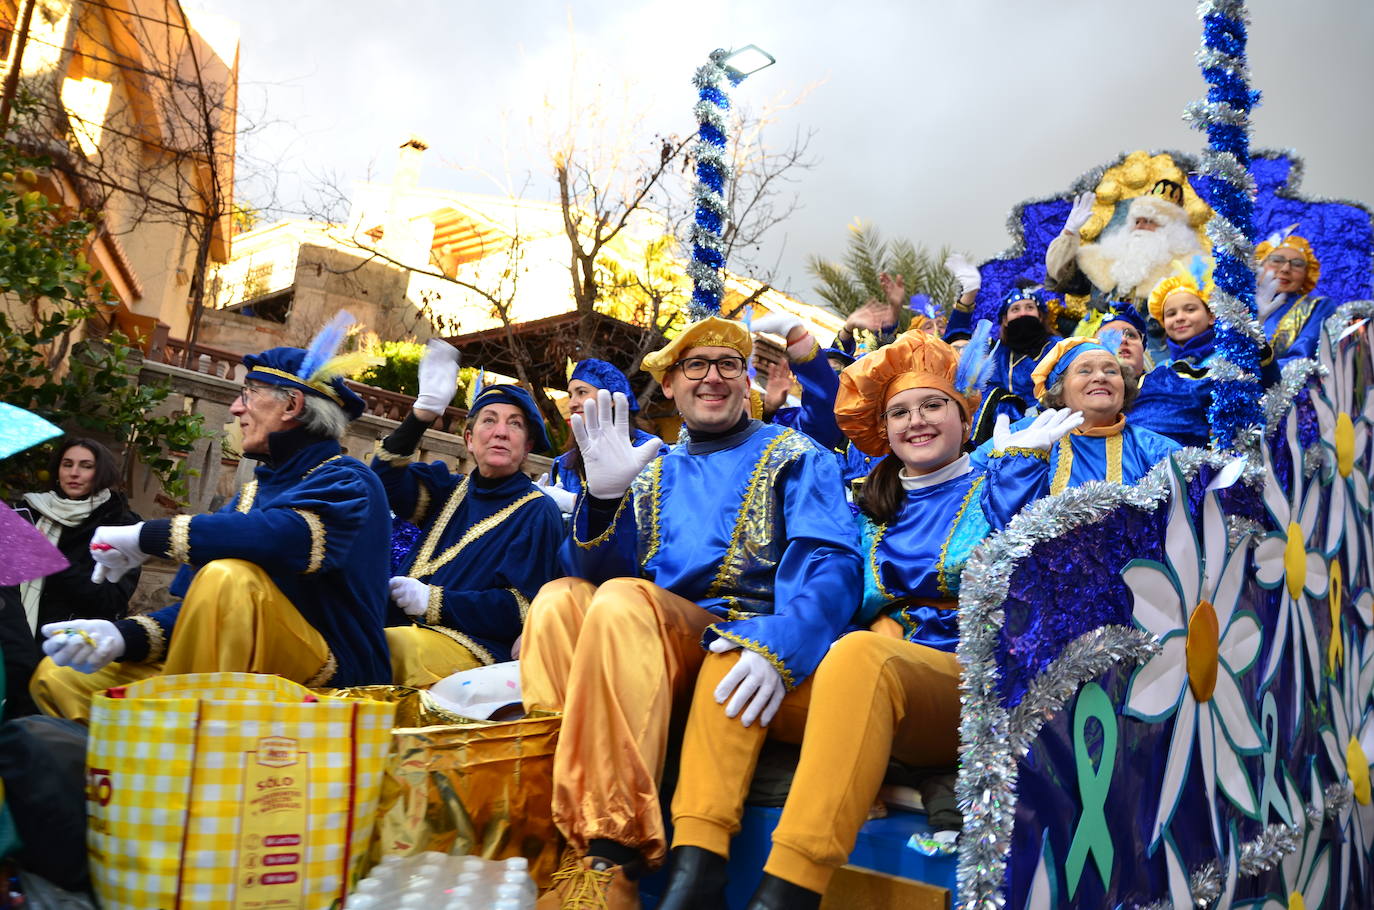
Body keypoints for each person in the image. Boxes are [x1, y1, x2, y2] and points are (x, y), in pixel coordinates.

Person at [656, 331, 1061, 910]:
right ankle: (696, 867)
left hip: (968, 688)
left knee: (862, 654)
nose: (916, 421)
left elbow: (1029, 578)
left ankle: (789, 888)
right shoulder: (863, 508)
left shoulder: (999, 486)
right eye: (900, 411)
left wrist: (1021, 472)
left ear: (965, 415)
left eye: (933, 405)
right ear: (883, 428)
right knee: (736, 656)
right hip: (863, 683)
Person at [520, 316, 861, 910]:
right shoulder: (652, 469)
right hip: (640, 645)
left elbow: (832, 562)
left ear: (747, 383)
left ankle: (612, 858)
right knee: (557, 601)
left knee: (623, 601)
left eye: (729, 365)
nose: (713, 378)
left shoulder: (793, 454)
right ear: (670, 385)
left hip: (731, 646)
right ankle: (549, 837)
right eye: (696, 365)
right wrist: (604, 500)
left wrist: (786, 637)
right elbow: (591, 575)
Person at [30, 333, 394, 721]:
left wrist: (147, 536)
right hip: (237, 670)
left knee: (230, 577)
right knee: (61, 677)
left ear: (292, 404)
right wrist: (123, 637)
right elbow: (202, 617)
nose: (235, 408)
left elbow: (285, 538)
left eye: (248, 393)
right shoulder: (251, 494)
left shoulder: (349, 480)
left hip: (334, 679)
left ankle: (181, 734)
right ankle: (157, 737)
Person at [373, 340, 565, 685]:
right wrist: (421, 415)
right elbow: (383, 481)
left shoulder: (538, 511)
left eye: (515, 424)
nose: (501, 432)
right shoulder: (447, 489)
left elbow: (521, 609)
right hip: (402, 627)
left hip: (473, 648)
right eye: (489, 421)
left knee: (387, 650)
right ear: (469, 440)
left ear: (527, 447)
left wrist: (434, 601)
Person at [0, 438, 140, 718]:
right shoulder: (27, 513)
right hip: (15, 648)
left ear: (101, 472)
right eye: (67, 465)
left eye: (85, 466)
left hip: (69, 653)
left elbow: (110, 600)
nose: (74, 473)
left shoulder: (120, 524)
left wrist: (50, 559)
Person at [977, 336, 1182, 527]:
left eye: (1111, 371)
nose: (1100, 377)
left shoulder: (1157, 450)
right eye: (1085, 371)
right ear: (1059, 392)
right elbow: (1002, 523)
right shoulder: (1024, 433)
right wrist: (1017, 465)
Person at [1129, 260, 1279, 448]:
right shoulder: (1161, 369)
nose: (1180, 318)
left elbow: (1271, 385)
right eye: (1171, 314)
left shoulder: (1230, 355)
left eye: (1190, 309)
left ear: (1211, 317)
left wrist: (1252, 337)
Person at [1046, 181, 1204, 306]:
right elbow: (1061, 274)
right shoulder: (1101, 259)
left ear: (1170, 230)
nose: (1140, 227)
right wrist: (1069, 232)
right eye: (1137, 221)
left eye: (1149, 221)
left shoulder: (1188, 266)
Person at [542, 358, 665, 516]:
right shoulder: (564, 464)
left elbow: (658, 515)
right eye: (570, 395)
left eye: (581, 392)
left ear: (612, 399)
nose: (571, 404)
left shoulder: (650, 450)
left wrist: (574, 502)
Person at [1253, 228, 1335, 362]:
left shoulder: (1317, 307)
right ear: (1260, 265)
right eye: (1277, 260)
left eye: (1297, 264)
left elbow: (1301, 360)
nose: (1285, 269)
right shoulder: (1236, 301)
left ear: (1307, 275)